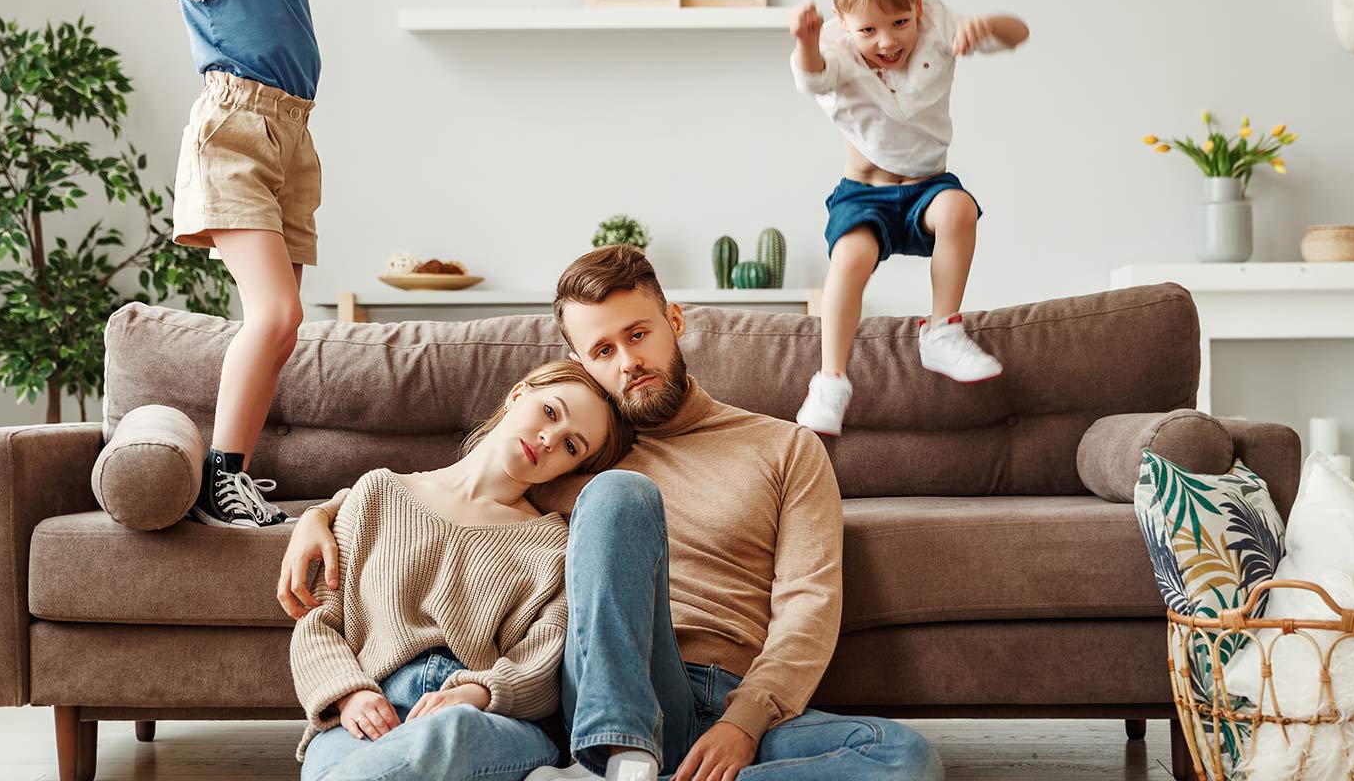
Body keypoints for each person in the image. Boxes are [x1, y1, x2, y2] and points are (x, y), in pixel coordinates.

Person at [281, 247, 945, 781]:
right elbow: (451, 504)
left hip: (728, 699)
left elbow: (807, 607)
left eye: (639, 335)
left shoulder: (785, 448)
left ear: (674, 321)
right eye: (603, 351)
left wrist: (744, 723)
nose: (629, 363)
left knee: (904, 760)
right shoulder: (578, 458)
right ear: (578, 363)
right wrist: (325, 513)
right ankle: (621, 756)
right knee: (621, 496)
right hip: (602, 692)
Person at [291, 360, 634, 781]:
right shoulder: (376, 493)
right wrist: (349, 694)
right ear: (518, 394)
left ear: (571, 468)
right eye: (550, 412)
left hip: (485, 718)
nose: (548, 439)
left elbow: (543, 659)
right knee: (335, 769)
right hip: (372, 703)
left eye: (570, 446)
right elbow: (319, 623)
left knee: (446, 734)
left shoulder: (554, 547)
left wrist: (478, 691)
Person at [143, 0, 346, 526]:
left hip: (293, 140)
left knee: (282, 330)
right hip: (233, 134)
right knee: (277, 313)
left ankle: (234, 474)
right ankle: (218, 474)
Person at [790, 0, 1030, 436]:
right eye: (868, 29)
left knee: (959, 210)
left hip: (926, 187)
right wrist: (806, 42)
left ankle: (941, 331)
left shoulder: (940, 23)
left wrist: (989, 27)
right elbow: (812, 78)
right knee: (850, 260)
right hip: (864, 193)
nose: (887, 42)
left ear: (918, 2)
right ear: (841, 19)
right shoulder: (832, 46)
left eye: (900, 22)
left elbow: (1018, 33)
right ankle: (830, 381)